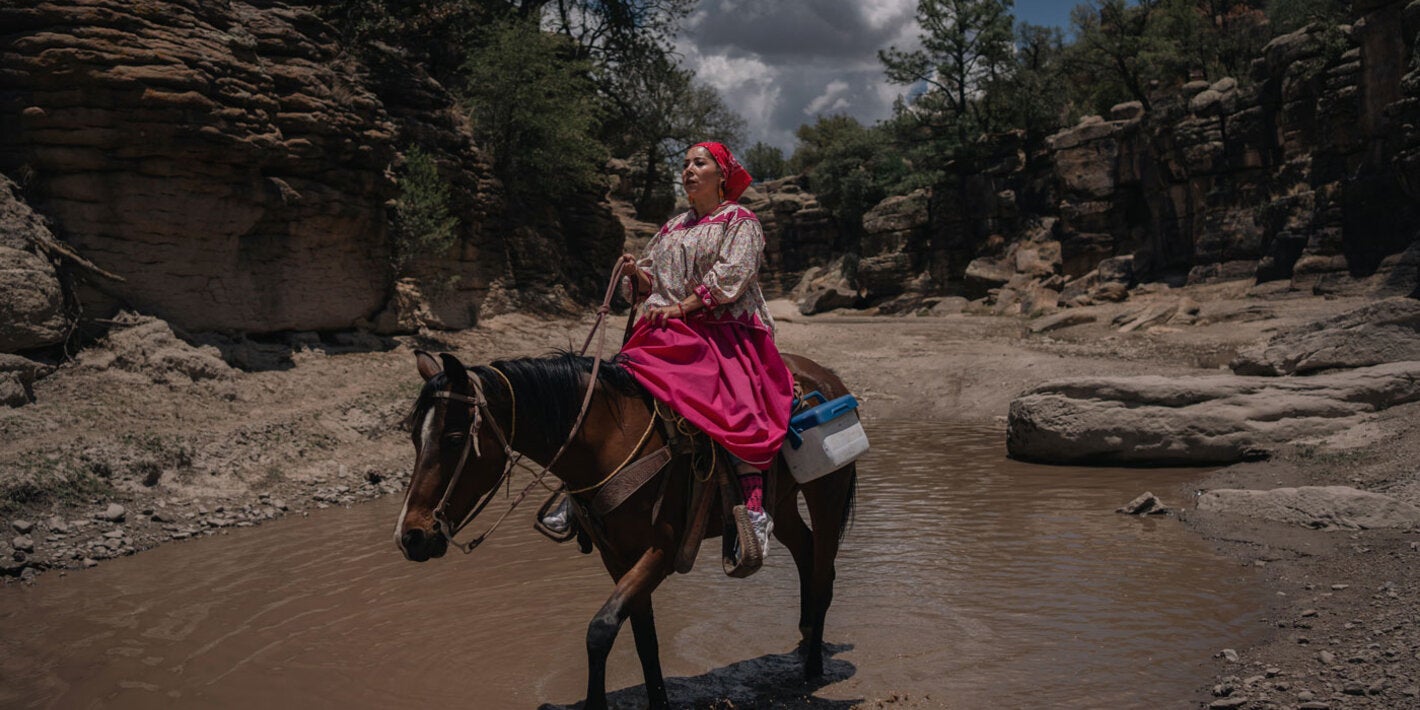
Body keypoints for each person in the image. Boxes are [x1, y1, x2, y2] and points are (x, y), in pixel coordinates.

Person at [614, 141, 793, 576]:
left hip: (724, 329)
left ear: (722, 174)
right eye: (686, 164)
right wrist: (636, 274)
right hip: (667, 330)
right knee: (611, 388)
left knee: (736, 405)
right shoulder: (673, 226)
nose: (689, 170)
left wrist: (683, 306)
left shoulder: (741, 221)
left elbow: (732, 276)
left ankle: (752, 505)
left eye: (700, 163)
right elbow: (652, 279)